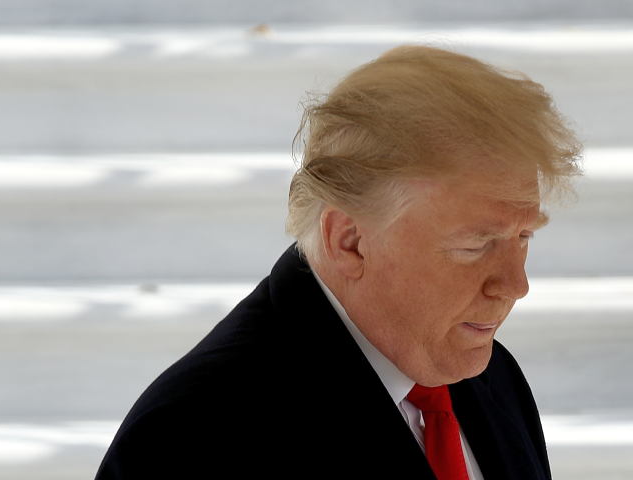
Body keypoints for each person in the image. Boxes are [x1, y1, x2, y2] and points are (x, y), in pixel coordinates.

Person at [95, 45, 581, 479]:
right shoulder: (195, 439)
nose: (516, 284)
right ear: (349, 241)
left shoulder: (492, 380)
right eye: (475, 246)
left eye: (524, 236)